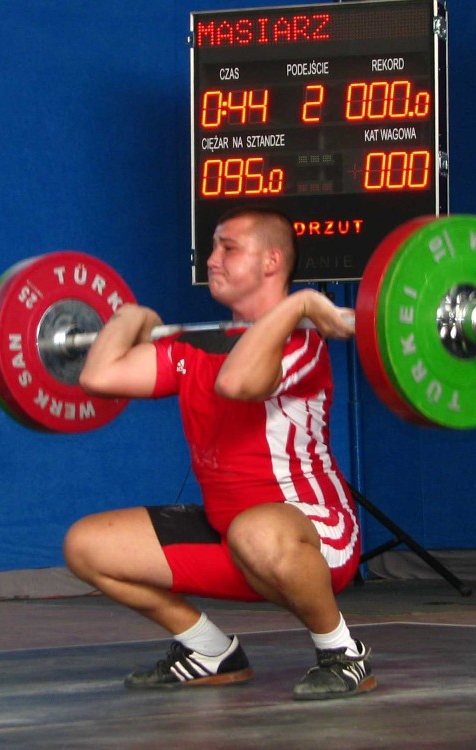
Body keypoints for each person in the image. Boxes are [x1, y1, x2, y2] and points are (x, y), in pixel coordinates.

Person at [64, 205, 376, 701]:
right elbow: (99, 377)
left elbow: (237, 381)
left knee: (255, 529)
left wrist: (297, 308)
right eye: (212, 247)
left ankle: (342, 650)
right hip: (231, 531)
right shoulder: (196, 350)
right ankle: (208, 649)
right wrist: (130, 316)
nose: (212, 260)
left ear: (272, 262)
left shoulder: (301, 344)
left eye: (228, 248)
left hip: (316, 535)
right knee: (86, 545)